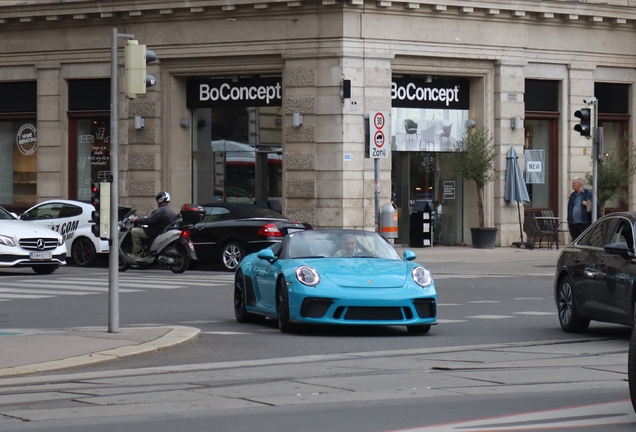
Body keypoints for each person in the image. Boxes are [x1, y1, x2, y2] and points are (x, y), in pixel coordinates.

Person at [127, 191, 177, 258]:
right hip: (162, 231)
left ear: (160, 200)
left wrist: (136, 220)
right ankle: (145, 250)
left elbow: (149, 220)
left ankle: (136, 252)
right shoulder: (170, 210)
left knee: (134, 231)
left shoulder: (160, 210)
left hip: (154, 231)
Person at [567, 177, 594, 241]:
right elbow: (570, 207)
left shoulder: (588, 193)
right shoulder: (572, 195)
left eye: (574, 183)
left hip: (584, 223)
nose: (572, 185)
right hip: (573, 224)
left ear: (579, 184)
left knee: (583, 241)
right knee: (575, 241)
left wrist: (587, 204)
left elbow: (595, 205)